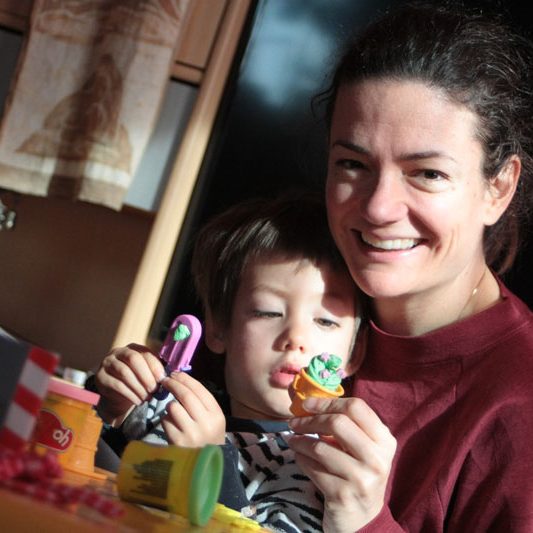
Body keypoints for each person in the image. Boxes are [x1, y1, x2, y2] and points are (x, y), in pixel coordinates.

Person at [285, 3, 533, 532]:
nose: (378, 207)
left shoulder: (521, 403)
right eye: (353, 164)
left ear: (498, 188)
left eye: (427, 173)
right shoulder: (284, 305)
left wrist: (366, 519)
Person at [92, 191, 363, 531]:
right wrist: (112, 408)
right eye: (268, 312)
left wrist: (212, 463)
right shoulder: (168, 408)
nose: (296, 338)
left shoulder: (318, 466)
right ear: (219, 328)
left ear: (354, 353)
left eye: (325, 321)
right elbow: (93, 478)